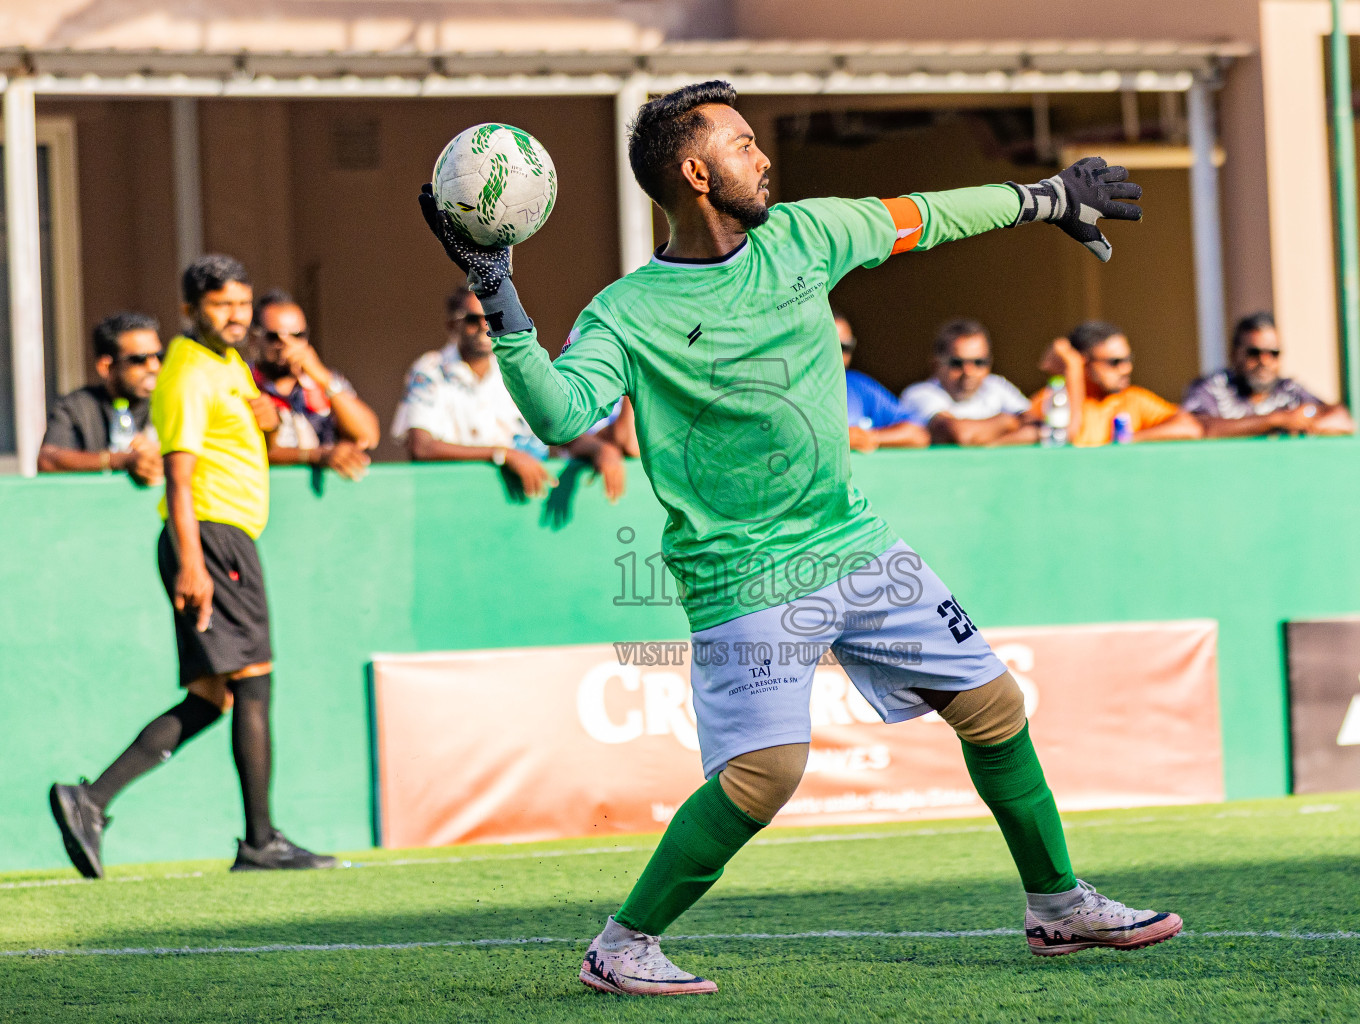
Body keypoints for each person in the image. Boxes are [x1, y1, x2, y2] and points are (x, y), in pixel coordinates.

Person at [417, 79, 1180, 997]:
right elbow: (559, 413)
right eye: (741, 144)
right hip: (740, 570)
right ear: (695, 173)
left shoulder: (806, 235)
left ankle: (1057, 907)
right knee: (763, 775)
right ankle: (621, 946)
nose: (763, 156)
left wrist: (1046, 198)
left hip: (852, 541)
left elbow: (923, 214)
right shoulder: (625, 311)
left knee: (993, 707)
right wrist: (496, 290)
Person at [48, 254, 336, 878]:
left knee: (211, 697)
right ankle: (260, 842)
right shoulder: (185, 373)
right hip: (210, 538)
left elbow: (245, 437)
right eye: (221, 304)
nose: (236, 316)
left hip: (226, 538)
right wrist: (192, 563)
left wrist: (268, 419)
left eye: (242, 303)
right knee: (253, 684)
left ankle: (89, 801)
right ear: (190, 310)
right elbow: (179, 478)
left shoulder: (228, 364)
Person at [393, 288, 626, 501]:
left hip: (521, 504)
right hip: (455, 503)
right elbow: (421, 447)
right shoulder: (431, 370)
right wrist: (504, 455)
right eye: (473, 319)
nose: (484, 326)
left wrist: (601, 449)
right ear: (453, 325)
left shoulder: (514, 369)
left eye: (491, 318)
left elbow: (558, 429)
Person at [250, 290, 380, 480]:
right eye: (274, 337)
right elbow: (255, 449)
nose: (288, 344)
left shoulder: (323, 381)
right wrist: (318, 455)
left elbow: (368, 436)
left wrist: (324, 378)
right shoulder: (245, 381)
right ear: (254, 339)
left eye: (297, 335)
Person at [37, 311, 164, 485]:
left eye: (159, 356)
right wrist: (120, 460)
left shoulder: (170, 402)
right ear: (106, 367)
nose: (154, 366)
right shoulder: (77, 407)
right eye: (139, 359)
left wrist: (161, 456)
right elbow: (47, 460)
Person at [1183, 311, 1356, 437]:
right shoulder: (1212, 387)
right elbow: (1198, 427)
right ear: (1234, 354)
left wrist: (1309, 417)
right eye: (1254, 353)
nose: (1265, 361)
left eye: (1273, 353)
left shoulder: (1288, 389)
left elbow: (1341, 418)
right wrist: (1276, 421)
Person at [1033, 321, 1203, 446]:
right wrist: (1073, 368)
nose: (1126, 368)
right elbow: (1068, 433)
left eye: (1128, 359)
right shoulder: (1053, 399)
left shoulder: (1133, 399)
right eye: (1114, 362)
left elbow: (1190, 428)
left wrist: (1124, 441)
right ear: (1084, 364)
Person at [900, 319, 1039, 446]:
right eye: (957, 363)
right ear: (936, 365)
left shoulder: (996, 385)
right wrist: (1007, 421)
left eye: (979, 362)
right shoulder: (919, 394)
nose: (969, 372)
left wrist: (991, 445)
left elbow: (1038, 428)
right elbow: (961, 434)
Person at [836, 311, 928, 451]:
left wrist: (868, 437)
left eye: (845, 347)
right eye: (831, 346)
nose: (838, 354)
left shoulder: (856, 385)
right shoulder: (798, 387)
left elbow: (918, 433)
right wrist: (835, 439)